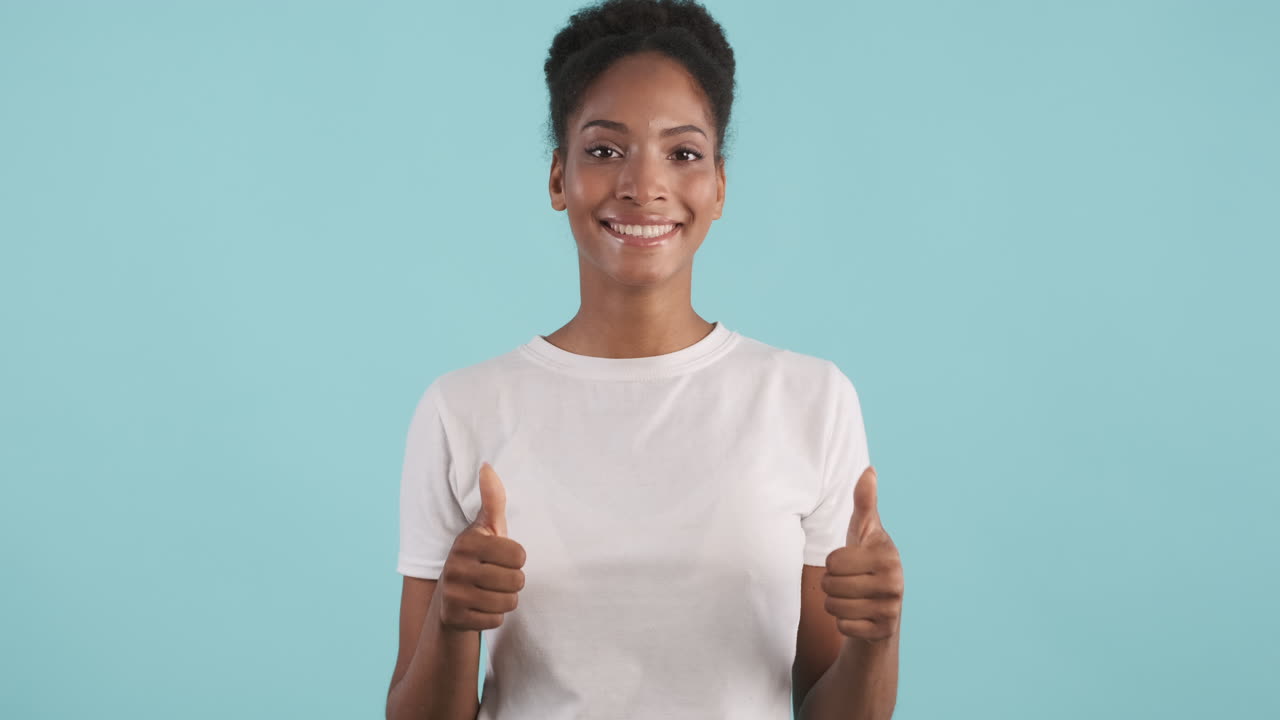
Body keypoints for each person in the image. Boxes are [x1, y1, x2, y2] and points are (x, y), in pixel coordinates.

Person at [386, 1, 899, 718]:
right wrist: (451, 617)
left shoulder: (809, 400)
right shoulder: (461, 408)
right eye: (603, 150)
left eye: (683, 153)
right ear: (558, 177)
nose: (642, 184)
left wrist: (876, 640)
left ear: (718, 185)